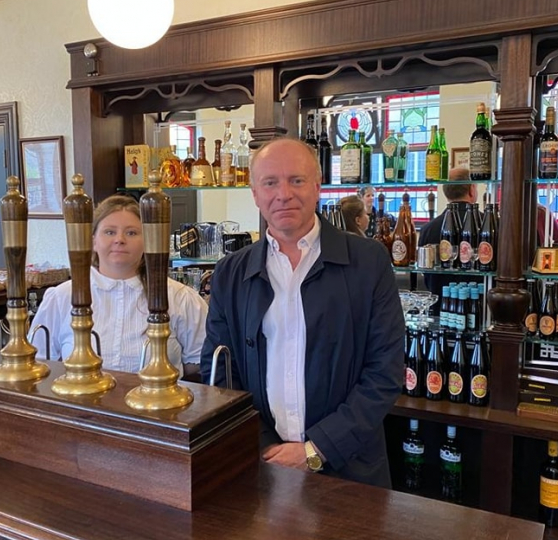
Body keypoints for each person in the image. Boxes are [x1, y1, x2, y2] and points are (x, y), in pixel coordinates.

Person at [200, 138, 404, 488]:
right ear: (254, 193)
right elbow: (220, 372)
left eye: (296, 180)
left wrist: (318, 448)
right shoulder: (231, 272)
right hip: (261, 465)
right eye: (270, 182)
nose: (283, 194)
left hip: (350, 470)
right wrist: (263, 444)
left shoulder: (368, 262)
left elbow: (384, 372)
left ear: (317, 186)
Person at [31, 195, 208, 375]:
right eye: (109, 232)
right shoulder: (61, 297)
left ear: (148, 242)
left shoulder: (180, 297)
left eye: (131, 233)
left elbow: (199, 361)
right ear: (93, 241)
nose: (119, 240)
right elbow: (39, 364)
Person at [417, 168, 479, 301]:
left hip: (439, 307)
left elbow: (425, 274)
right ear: (471, 190)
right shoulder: (488, 225)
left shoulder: (428, 229)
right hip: (480, 307)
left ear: (446, 193)